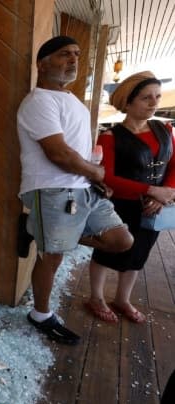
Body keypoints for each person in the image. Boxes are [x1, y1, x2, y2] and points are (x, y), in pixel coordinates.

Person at [17, 36, 134, 345]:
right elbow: (58, 154)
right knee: (52, 257)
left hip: (84, 188)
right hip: (53, 190)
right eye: (64, 54)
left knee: (121, 240)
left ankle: (35, 228)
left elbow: (77, 151)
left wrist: (94, 178)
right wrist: (96, 171)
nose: (73, 59)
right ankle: (40, 314)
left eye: (77, 54)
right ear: (42, 64)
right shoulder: (39, 101)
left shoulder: (72, 101)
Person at [86, 71, 175, 324]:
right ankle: (96, 297)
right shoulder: (111, 137)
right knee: (106, 253)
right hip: (120, 205)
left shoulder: (165, 129)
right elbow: (108, 178)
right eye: (146, 98)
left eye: (157, 97)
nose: (154, 103)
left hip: (154, 208)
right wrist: (150, 191)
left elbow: (174, 165)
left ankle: (122, 299)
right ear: (128, 102)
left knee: (140, 253)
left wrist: (163, 193)